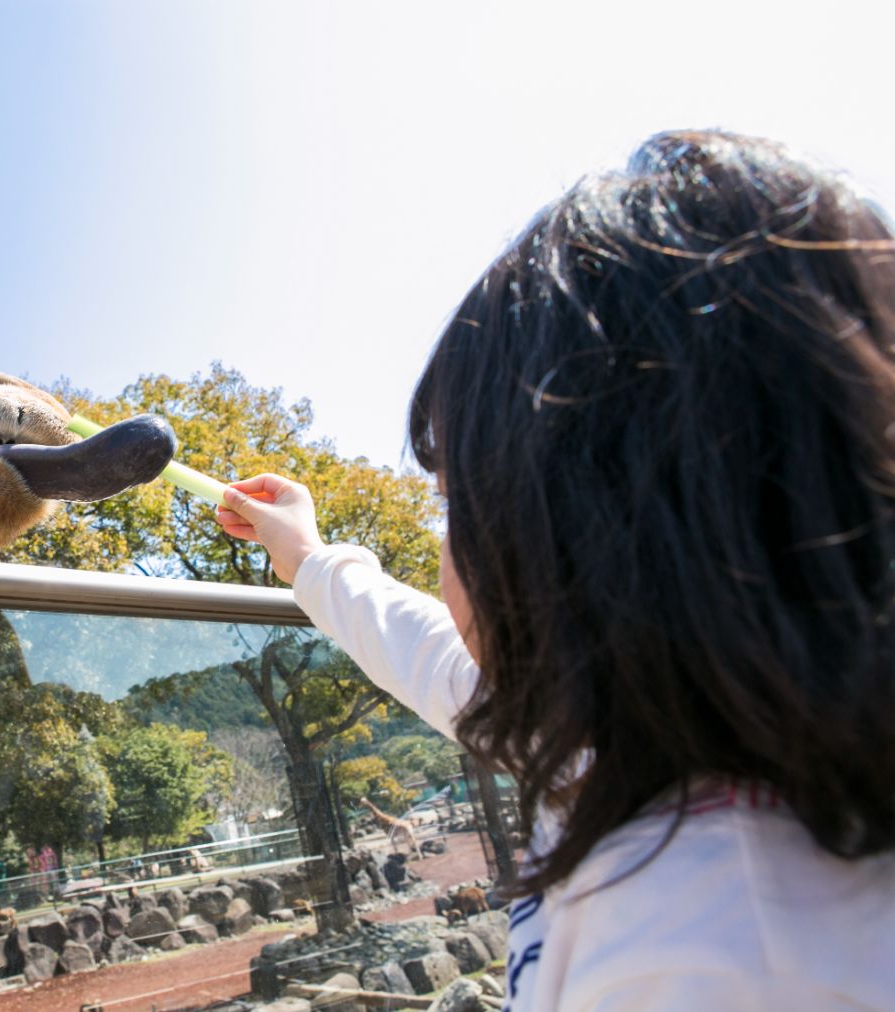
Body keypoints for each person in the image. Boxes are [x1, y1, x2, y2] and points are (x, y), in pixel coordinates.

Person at [216, 130, 895, 1010]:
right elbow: (424, 649)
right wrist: (304, 555)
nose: (448, 544)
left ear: (577, 551)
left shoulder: (719, 956)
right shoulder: (618, 743)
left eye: (457, 503)